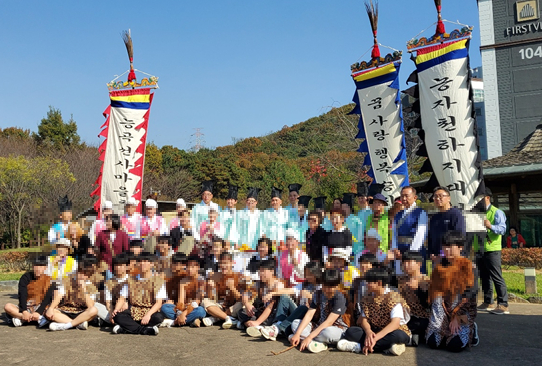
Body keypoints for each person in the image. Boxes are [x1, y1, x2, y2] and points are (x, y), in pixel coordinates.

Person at [336, 267, 411, 356]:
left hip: (392, 331)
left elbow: (395, 323)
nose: (366, 284)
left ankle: (359, 347)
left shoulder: (393, 297)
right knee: (351, 332)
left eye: (369, 282)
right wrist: (368, 332)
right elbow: (363, 319)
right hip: (374, 330)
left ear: (379, 283)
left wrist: (375, 339)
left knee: (399, 336)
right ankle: (387, 348)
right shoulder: (368, 297)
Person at [426, 231, 479, 352]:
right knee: (433, 343)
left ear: (460, 247)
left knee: (454, 346)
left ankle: (472, 329)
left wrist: (458, 316)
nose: (447, 250)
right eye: (445, 246)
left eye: (450, 246)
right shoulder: (439, 266)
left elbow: (471, 293)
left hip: (461, 308)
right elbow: (434, 291)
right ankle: (441, 329)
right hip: (442, 309)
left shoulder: (470, 267)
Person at [289, 268, 350, 353]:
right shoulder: (318, 293)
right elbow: (309, 314)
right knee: (295, 323)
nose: (327, 289)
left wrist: (309, 337)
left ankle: (309, 340)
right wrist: (297, 333)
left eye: (331, 286)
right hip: (318, 326)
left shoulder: (340, 298)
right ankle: (316, 342)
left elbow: (329, 322)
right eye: (325, 285)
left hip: (336, 328)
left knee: (328, 333)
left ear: (337, 286)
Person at [112, 252, 166, 335]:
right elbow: (122, 298)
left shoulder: (158, 281)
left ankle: (126, 329)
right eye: (140, 261)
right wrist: (116, 309)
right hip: (133, 310)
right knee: (118, 316)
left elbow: (159, 303)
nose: (142, 264)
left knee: (158, 317)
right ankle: (145, 330)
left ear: (152, 264)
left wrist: (148, 315)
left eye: (145, 261)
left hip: (149, 310)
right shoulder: (131, 280)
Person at [240, 258, 297, 337]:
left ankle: (256, 325)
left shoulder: (278, 284)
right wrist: (247, 304)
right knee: (242, 311)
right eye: (260, 271)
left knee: (262, 319)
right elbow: (245, 294)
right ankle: (255, 326)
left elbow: (271, 306)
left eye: (263, 271)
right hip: (262, 312)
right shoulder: (259, 283)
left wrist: (258, 322)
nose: (261, 273)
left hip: (274, 314)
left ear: (271, 271)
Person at [475, 188, 509, 315]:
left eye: (480, 198)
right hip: (480, 248)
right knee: (484, 277)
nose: (478, 201)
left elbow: (502, 229)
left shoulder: (497, 212)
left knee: (496, 276)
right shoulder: (477, 213)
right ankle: (488, 301)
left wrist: (490, 226)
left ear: (487, 198)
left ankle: (503, 304)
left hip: (492, 249)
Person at [45, 256, 99, 331]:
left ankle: (66, 325)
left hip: (81, 312)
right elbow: (59, 295)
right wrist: (51, 308)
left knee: (94, 310)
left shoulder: (91, 285)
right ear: (77, 272)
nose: (82, 276)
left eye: (85, 274)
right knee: (50, 312)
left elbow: (90, 305)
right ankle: (77, 324)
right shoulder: (67, 281)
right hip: (67, 310)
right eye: (80, 273)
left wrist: (83, 289)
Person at [4, 255, 55, 328]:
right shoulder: (26, 277)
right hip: (28, 306)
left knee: (53, 310)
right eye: (36, 266)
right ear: (32, 267)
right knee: (8, 306)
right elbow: (22, 295)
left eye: (41, 266)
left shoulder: (50, 279)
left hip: (42, 307)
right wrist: (24, 311)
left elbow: (47, 298)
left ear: (45, 268)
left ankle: (22, 319)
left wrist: (38, 312)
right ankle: (30, 318)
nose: (38, 269)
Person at [202, 252, 247, 329]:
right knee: (204, 301)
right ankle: (228, 318)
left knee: (241, 305)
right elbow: (211, 298)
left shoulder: (238, 276)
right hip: (218, 305)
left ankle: (216, 318)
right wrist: (210, 288)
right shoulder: (214, 276)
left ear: (232, 263)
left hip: (232, 307)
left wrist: (232, 288)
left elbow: (241, 298)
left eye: (226, 263)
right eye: (221, 263)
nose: (223, 266)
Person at [391, 186, 429, 274]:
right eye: (402, 196)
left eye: (406, 196)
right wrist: (395, 248)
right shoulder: (398, 214)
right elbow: (394, 233)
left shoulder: (420, 212)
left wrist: (411, 254)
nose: (404, 198)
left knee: (415, 277)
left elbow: (420, 234)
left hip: (414, 250)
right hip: (399, 250)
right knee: (401, 277)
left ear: (415, 197)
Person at [161, 255, 207, 328]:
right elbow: (180, 302)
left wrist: (184, 314)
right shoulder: (183, 281)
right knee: (165, 307)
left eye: (192, 267)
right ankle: (190, 320)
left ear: (197, 267)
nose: (189, 269)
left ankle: (174, 322)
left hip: (194, 308)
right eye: (188, 267)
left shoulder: (201, 281)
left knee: (201, 311)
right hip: (184, 307)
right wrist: (180, 313)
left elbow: (196, 302)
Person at [399, 250, 430, 346]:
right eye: (404, 262)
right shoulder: (400, 279)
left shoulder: (426, 280)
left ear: (419, 264)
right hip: (406, 317)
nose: (406, 265)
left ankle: (414, 335)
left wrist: (418, 290)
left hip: (422, 317)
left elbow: (429, 305)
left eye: (409, 262)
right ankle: (414, 336)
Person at [428, 186, 466, 265]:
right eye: (435, 197)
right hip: (436, 259)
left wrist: (443, 254)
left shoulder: (455, 214)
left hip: (451, 258)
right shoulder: (434, 218)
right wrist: (431, 253)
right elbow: (431, 237)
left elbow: (458, 237)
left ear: (449, 198)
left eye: (441, 196)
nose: (438, 199)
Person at [98, 253, 130, 326]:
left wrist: (126, 303)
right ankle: (114, 320)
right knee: (96, 306)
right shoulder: (109, 282)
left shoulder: (132, 280)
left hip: (128, 308)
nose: (118, 268)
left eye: (121, 265)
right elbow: (108, 302)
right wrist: (112, 313)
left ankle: (116, 322)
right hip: (113, 307)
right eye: (116, 265)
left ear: (127, 267)